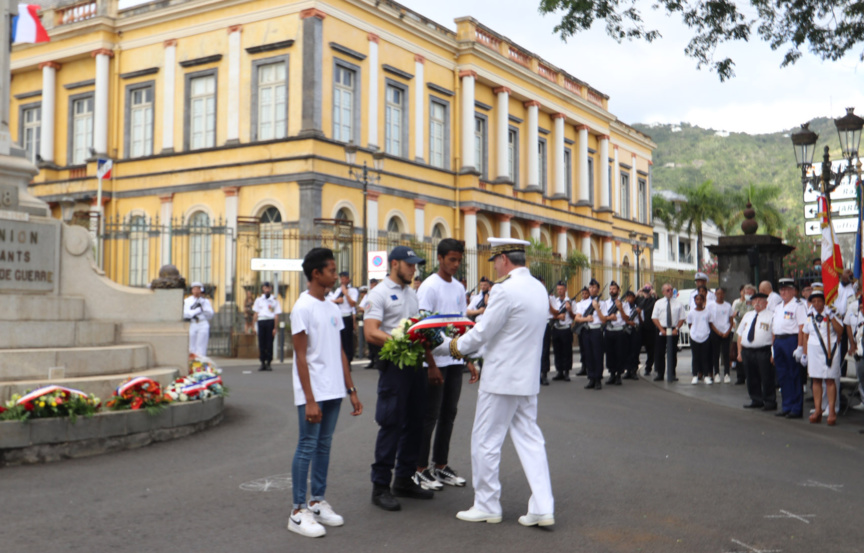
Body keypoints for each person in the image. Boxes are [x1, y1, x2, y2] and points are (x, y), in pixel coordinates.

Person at [433, 237, 554, 528]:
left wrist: (451, 347)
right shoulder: (539, 288)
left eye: (495, 261)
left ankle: (487, 504)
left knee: (486, 441)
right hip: (526, 378)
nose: (496, 267)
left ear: (503, 259)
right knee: (531, 441)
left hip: (501, 379)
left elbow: (484, 332)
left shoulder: (504, 290)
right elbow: (510, 334)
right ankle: (542, 506)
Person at [288, 248, 363, 538]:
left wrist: (351, 389)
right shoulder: (302, 307)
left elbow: (341, 353)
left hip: (334, 390)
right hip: (313, 391)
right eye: (331, 270)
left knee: (324, 446)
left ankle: (317, 501)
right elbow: (300, 356)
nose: (336, 274)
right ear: (316, 274)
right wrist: (309, 399)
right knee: (307, 445)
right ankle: (297, 510)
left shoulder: (333, 307)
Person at [364, 246, 433, 511]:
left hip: (415, 366)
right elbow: (371, 332)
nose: (414, 269)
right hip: (394, 366)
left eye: (415, 265)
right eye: (410, 265)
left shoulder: (412, 294)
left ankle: (403, 479)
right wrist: (400, 340)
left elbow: (419, 329)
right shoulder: (378, 293)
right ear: (395, 264)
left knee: (415, 423)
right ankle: (380, 486)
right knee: (391, 423)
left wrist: (432, 363)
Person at [415, 239, 478, 491]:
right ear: (439, 258)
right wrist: (430, 364)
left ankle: (440, 466)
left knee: (448, 415)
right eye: (451, 259)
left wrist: (468, 359)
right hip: (435, 362)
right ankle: (419, 469)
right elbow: (421, 328)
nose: (455, 264)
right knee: (429, 415)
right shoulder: (429, 287)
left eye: (458, 260)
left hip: (454, 360)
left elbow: (462, 326)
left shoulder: (458, 289)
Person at [802, 289, 843, 425]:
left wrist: (830, 316)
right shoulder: (809, 314)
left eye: (819, 301)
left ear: (824, 301)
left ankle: (831, 411)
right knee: (816, 380)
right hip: (814, 350)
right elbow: (805, 333)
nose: (817, 304)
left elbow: (840, 331)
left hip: (830, 351)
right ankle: (818, 409)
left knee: (830, 380)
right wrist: (804, 352)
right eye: (814, 301)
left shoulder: (832, 312)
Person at [771, 278, 807, 419]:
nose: (784, 292)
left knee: (794, 375)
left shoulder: (798, 305)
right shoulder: (778, 306)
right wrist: (773, 347)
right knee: (782, 376)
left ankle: (796, 408)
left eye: (786, 289)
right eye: (781, 290)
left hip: (791, 341)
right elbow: (774, 328)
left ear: (793, 290)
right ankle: (786, 406)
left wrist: (800, 347)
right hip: (779, 341)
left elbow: (801, 328)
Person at [737, 293, 776, 411]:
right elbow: (740, 334)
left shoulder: (771, 316)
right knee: (751, 376)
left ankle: (769, 401)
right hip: (748, 351)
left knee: (766, 376)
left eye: (760, 300)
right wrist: (740, 352)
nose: (757, 303)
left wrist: (773, 353)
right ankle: (756, 399)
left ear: (766, 303)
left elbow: (774, 336)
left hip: (763, 350)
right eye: (755, 300)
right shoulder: (748, 315)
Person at [573, 278, 605, 390]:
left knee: (597, 355)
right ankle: (591, 378)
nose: (592, 289)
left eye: (594, 287)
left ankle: (598, 379)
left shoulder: (602, 303)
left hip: (596, 330)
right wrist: (586, 318)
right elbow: (577, 318)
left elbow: (604, 320)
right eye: (590, 287)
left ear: (598, 289)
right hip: (586, 330)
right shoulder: (582, 303)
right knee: (588, 355)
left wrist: (597, 308)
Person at [651, 283, 685, 382]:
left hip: (673, 328)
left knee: (673, 352)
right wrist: (661, 329)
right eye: (668, 290)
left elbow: (682, 318)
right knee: (659, 352)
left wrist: (676, 329)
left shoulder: (678, 303)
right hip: (662, 328)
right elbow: (654, 317)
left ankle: (672, 373)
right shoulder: (658, 303)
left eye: (671, 290)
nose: (670, 292)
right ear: (663, 292)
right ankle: (660, 373)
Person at [601, 281, 629, 386]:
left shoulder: (624, 304)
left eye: (613, 289)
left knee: (619, 353)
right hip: (608, 331)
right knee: (610, 354)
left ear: (618, 290)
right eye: (610, 289)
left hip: (619, 331)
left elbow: (627, 319)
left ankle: (618, 375)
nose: (611, 291)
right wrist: (609, 318)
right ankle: (612, 374)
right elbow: (603, 317)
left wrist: (620, 308)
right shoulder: (605, 303)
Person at [327, 271, 359, 363]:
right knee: (339, 339)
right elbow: (331, 301)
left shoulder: (353, 290)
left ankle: (348, 360)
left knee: (347, 340)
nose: (342, 280)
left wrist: (346, 293)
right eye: (341, 278)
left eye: (344, 278)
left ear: (348, 279)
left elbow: (353, 303)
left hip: (347, 317)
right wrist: (337, 300)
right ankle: (341, 359)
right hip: (338, 317)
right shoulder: (338, 290)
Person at [730, 284, 756, 384]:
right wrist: (739, 314)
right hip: (739, 333)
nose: (748, 295)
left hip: (751, 333)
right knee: (739, 354)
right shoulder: (739, 304)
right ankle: (740, 377)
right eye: (746, 293)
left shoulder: (755, 304)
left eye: (750, 293)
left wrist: (740, 314)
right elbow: (735, 316)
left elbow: (749, 315)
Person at [252, 282, 281, 371]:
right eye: (265, 288)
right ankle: (262, 362)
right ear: (263, 289)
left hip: (270, 322)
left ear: (271, 289)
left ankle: (268, 362)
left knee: (269, 343)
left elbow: (276, 315)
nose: (267, 290)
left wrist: (275, 328)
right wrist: (253, 325)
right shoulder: (259, 300)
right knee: (261, 343)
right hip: (261, 321)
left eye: (268, 288)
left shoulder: (274, 301)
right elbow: (256, 313)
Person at [708, 287, 734, 384]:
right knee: (715, 354)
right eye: (718, 293)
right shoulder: (711, 306)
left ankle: (727, 374)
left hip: (726, 332)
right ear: (715, 294)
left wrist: (727, 331)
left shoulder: (728, 306)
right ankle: (717, 374)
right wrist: (717, 332)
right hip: (715, 332)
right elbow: (710, 321)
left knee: (726, 354)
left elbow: (731, 321)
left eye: (722, 293)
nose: (720, 295)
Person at [686, 291, 712, 384]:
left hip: (705, 336)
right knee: (695, 357)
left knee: (705, 357)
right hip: (694, 337)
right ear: (695, 301)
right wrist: (694, 331)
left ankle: (706, 375)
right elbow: (690, 324)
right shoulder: (691, 313)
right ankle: (695, 375)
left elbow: (710, 323)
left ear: (703, 300)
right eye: (697, 299)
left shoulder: (707, 312)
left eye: (701, 299)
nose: (699, 301)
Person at [550, 281, 573, 382]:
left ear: (565, 290)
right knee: (557, 351)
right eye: (558, 289)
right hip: (556, 328)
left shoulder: (570, 302)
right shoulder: (554, 301)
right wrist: (558, 316)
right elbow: (550, 315)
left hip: (566, 329)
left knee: (566, 351)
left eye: (561, 289)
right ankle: (559, 371)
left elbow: (574, 316)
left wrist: (569, 310)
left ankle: (566, 372)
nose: (559, 291)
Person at [183, 282, 214, 358]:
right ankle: (192, 362)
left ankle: (201, 361)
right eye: (194, 289)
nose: (196, 291)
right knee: (191, 345)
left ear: (201, 290)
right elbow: (186, 314)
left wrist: (203, 308)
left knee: (201, 345)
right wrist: (197, 310)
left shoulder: (205, 301)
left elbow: (210, 314)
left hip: (202, 323)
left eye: (198, 289)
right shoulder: (187, 301)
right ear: (192, 290)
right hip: (192, 324)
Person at [845, 297, 864, 412]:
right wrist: (852, 344)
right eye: (861, 307)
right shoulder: (855, 311)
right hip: (860, 353)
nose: (862, 309)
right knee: (861, 377)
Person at [357, 278, 379, 369]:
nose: (373, 286)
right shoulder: (368, 295)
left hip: (377, 321)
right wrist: (369, 309)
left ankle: (378, 361)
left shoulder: (379, 294)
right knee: (370, 342)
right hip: (368, 320)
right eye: (371, 284)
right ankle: (372, 360)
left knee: (376, 342)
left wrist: (368, 309)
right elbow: (360, 308)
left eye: (374, 284)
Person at [637, 284, 657, 376]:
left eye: (648, 290)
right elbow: (634, 301)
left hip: (650, 328)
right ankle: (634, 367)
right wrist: (639, 293)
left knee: (650, 349)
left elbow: (659, 302)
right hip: (641, 327)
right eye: (645, 290)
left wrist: (655, 294)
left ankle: (648, 367)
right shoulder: (641, 300)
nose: (647, 292)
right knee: (636, 348)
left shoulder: (654, 300)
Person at [622, 291, 642, 380]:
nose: (628, 299)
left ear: (634, 298)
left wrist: (639, 313)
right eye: (627, 297)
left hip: (635, 330)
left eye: (630, 297)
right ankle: (628, 370)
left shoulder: (637, 307)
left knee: (635, 350)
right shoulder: (624, 306)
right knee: (626, 350)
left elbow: (642, 321)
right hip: (626, 330)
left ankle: (634, 370)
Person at [573, 287, 591, 377]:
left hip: (589, 327)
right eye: (583, 294)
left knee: (588, 349)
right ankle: (583, 367)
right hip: (582, 328)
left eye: (586, 293)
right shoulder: (579, 304)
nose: (584, 295)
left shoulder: (591, 303)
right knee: (582, 349)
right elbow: (577, 316)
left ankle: (588, 367)